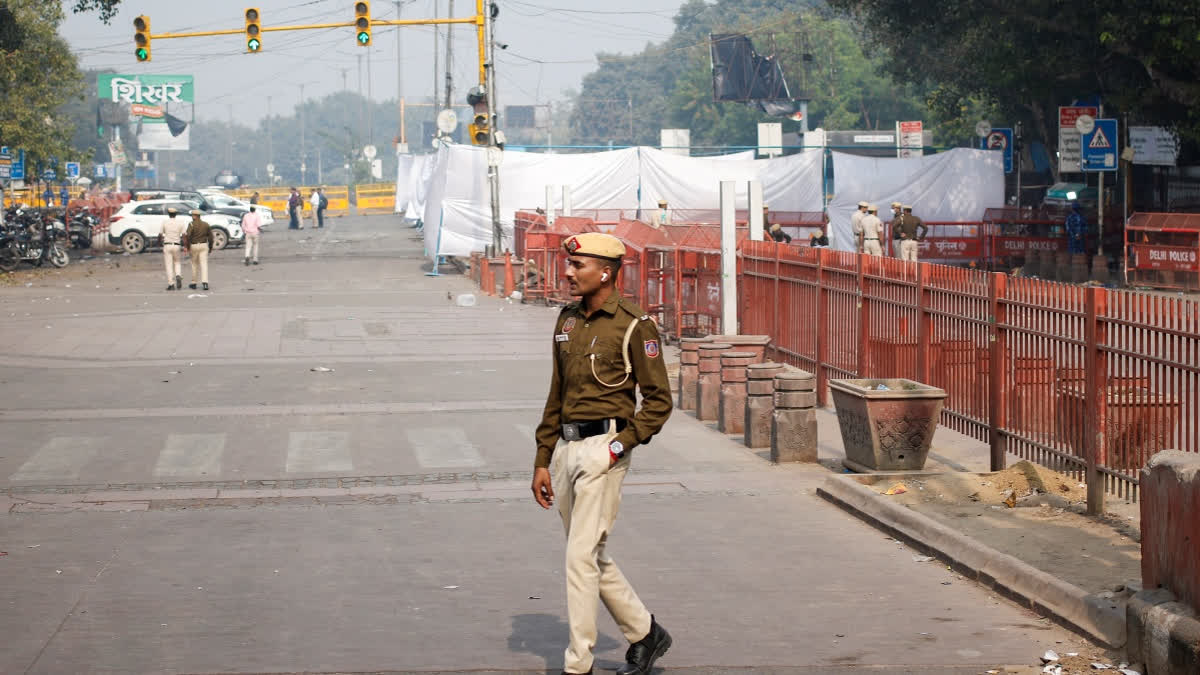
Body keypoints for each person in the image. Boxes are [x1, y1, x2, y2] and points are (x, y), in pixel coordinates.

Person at [531, 232, 674, 675]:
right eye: (570, 264)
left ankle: (579, 663)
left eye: (579, 266)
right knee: (590, 553)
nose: (569, 273)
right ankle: (646, 633)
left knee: (578, 557)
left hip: (603, 450)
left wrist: (619, 446)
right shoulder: (568, 321)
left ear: (606, 273)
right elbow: (556, 392)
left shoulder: (634, 325)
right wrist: (543, 457)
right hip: (566, 449)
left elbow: (659, 400)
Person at [183, 209, 214, 291]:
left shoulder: (191, 224)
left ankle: (194, 283)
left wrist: (187, 246)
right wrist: (210, 247)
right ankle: (205, 283)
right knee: (204, 264)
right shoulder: (206, 224)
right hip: (204, 245)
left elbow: (188, 236)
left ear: (194, 216)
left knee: (194, 264)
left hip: (194, 245)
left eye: (192, 215)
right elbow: (211, 237)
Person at [158, 207, 186, 290]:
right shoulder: (180, 223)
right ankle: (178, 275)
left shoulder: (165, 222)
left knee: (169, 265)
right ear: (176, 214)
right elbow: (184, 235)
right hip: (177, 245)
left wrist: (159, 243)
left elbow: (160, 235)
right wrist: (185, 246)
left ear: (168, 214)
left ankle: (171, 284)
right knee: (177, 262)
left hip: (167, 245)